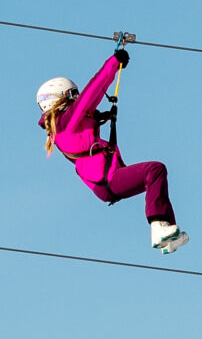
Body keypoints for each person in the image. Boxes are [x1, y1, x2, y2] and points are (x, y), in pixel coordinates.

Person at [37, 37, 188, 253]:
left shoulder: (63, 128)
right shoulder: (65, 123)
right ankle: (158, 227)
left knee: (153, 178)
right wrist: (113, 64)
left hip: (107, 180)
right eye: (72, 96)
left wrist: (103, 115)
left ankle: (168, 235)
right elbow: (92, 92)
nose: (76, 99)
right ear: (59, 99)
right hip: (108, 179)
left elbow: (87, 117)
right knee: (155, 170)